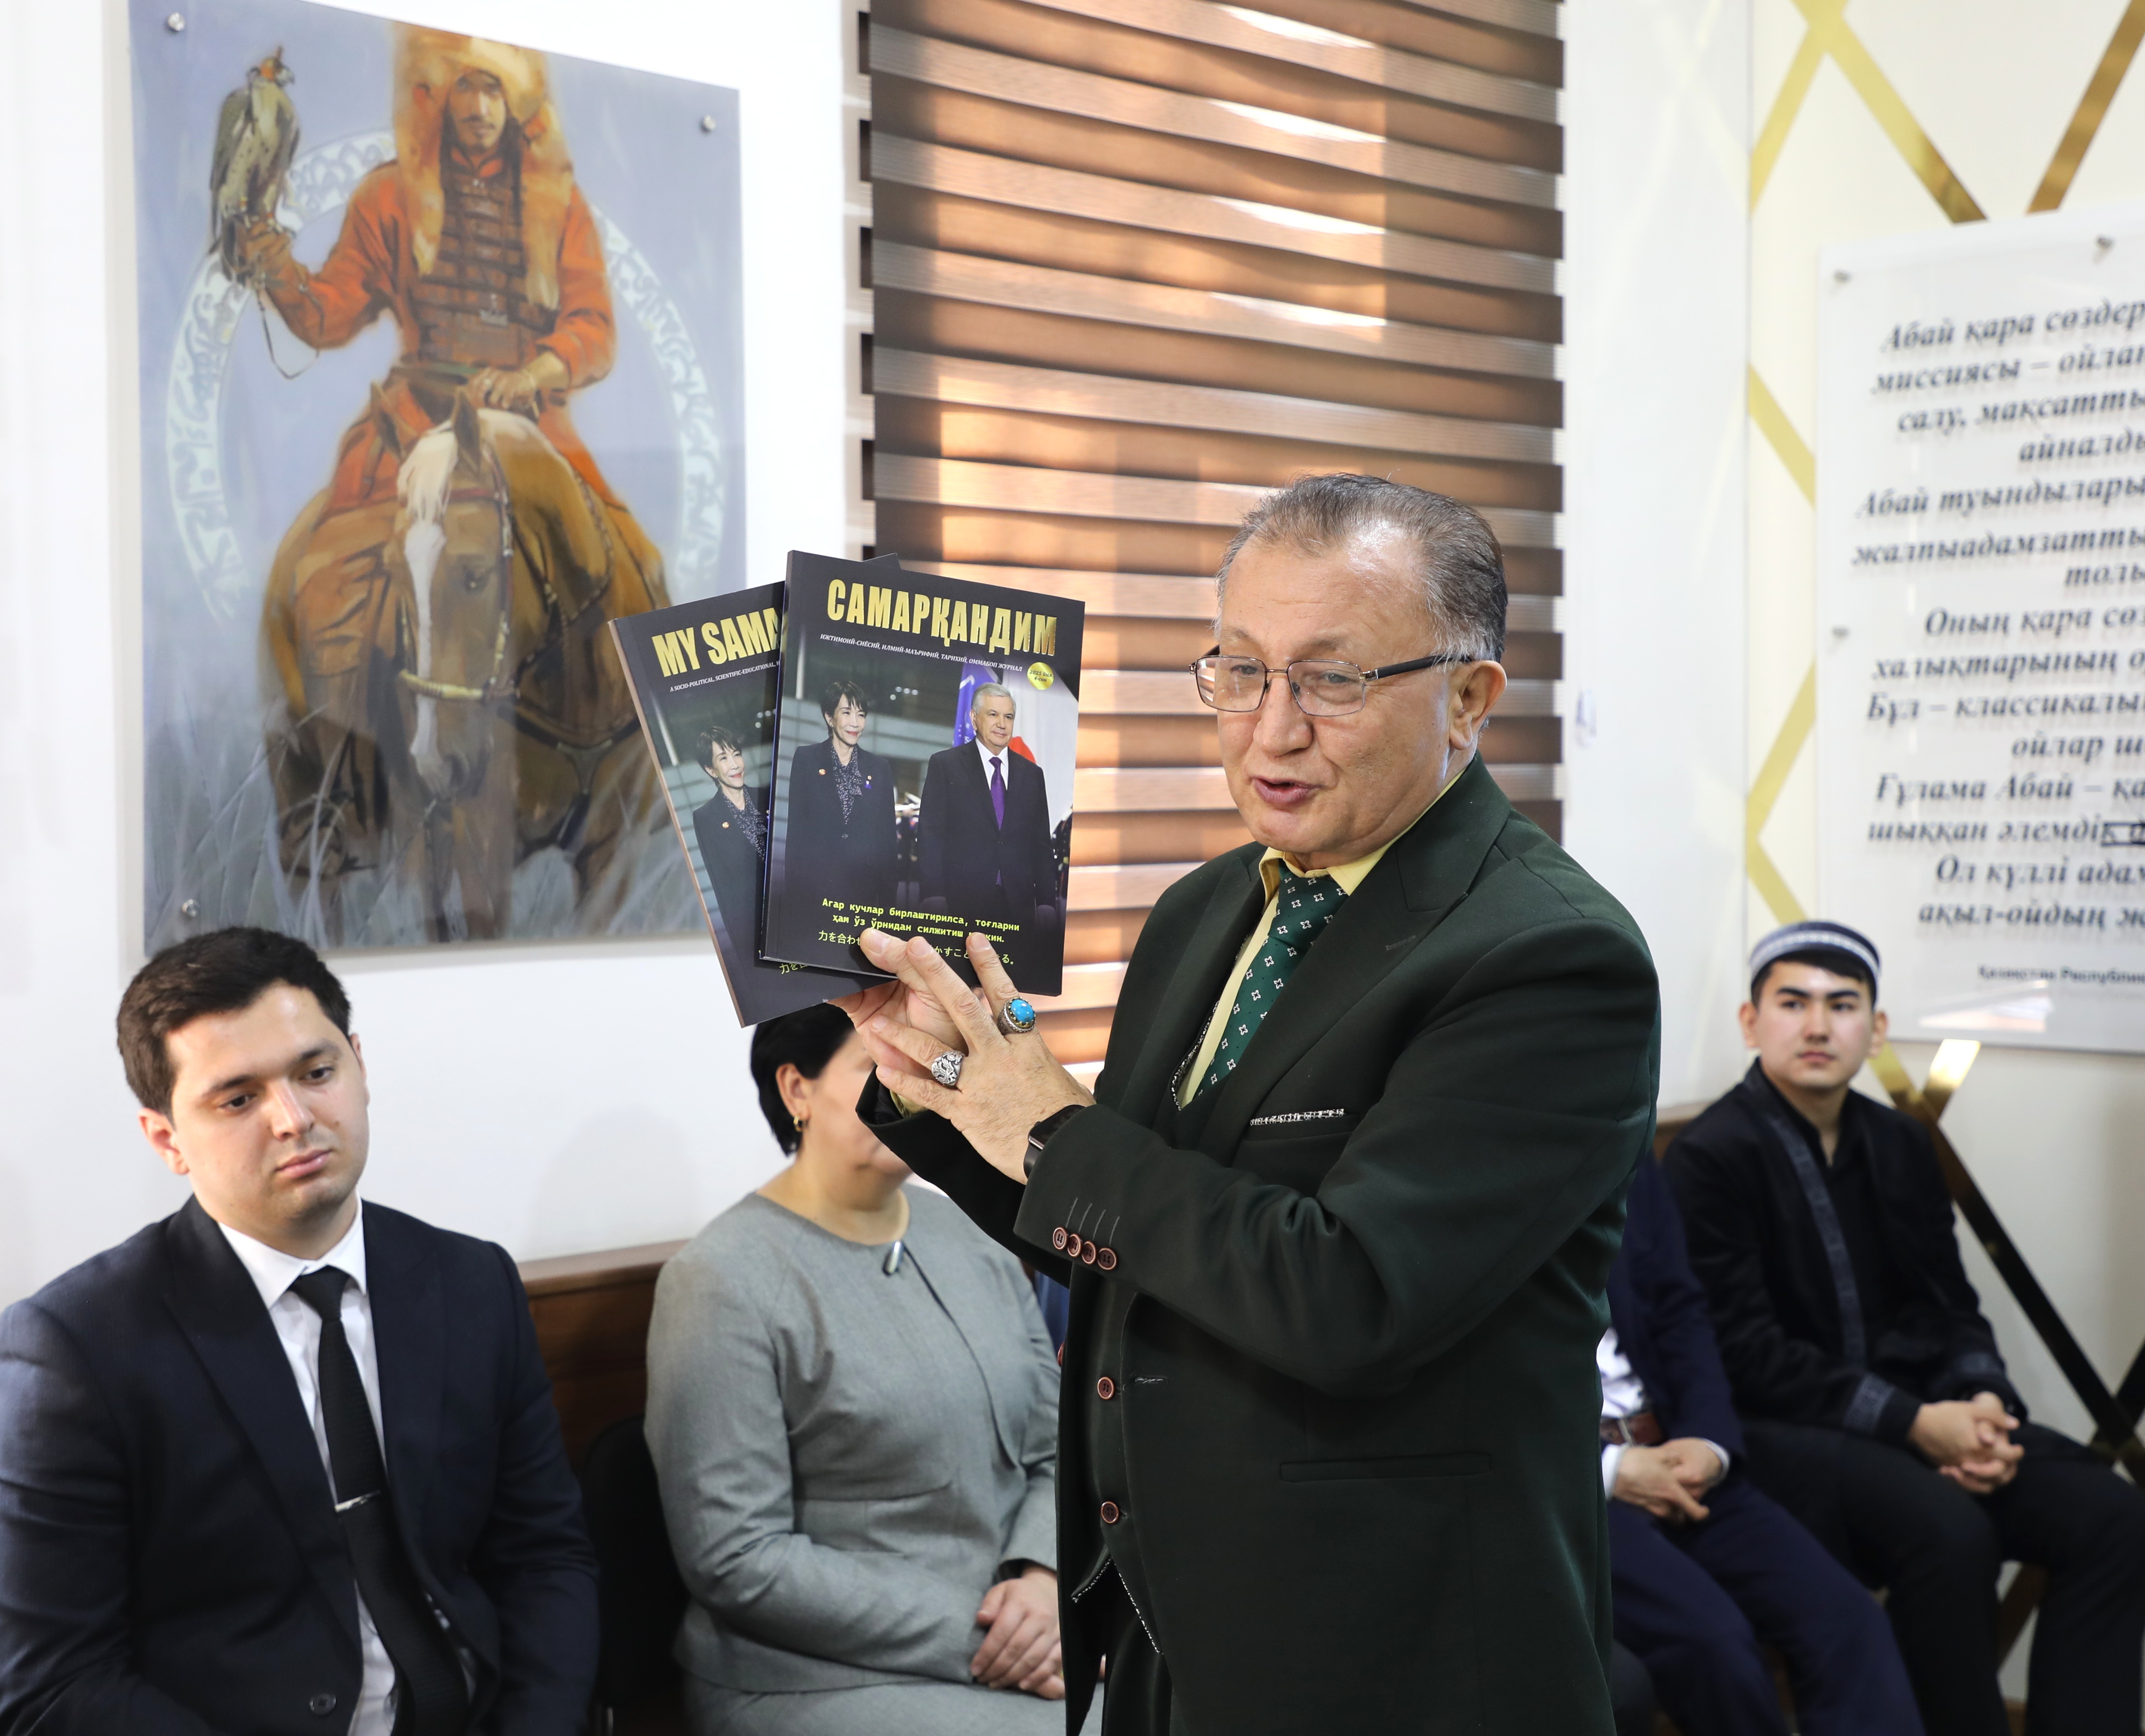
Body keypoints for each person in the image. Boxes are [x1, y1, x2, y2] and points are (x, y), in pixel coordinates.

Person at [838, 473, 1664, 1733]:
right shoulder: (1205, 908)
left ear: (1467, 698)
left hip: (1391, 1651)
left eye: (1331, 680)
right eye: (1238, 670)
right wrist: (939, 1082)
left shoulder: (1547, 956)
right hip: (1165, 1621)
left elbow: (1352, 1297)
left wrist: (1054, 1128)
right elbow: (1122, 1235)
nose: (1269, 730)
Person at [0, 928, 596, 1733]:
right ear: (167, 1140)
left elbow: (544, 1555)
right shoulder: (75, 1349)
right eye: (237, 1099)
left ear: (360, 1066)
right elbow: (56, 1683)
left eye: (316, 1073)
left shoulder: (469, 1281)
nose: (294, 1119)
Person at [1665, 920, 2145, 1736]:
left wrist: (1982, 1401)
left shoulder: (1897, 1140)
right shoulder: (1711, 1155)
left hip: (1919, 1416)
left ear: (1876, 1028)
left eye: (1841, 1005)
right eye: (1792, 1003)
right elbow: (1743, 1354)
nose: (1817, 1026)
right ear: (1751, 1022)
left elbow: (1948, 1302)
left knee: (2112, 1517)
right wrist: (1916, 1424)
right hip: (1780, 1434)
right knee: (1947, 1531)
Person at [646, 1005, 1063, 1736]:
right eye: (880, 1067)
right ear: (796, 1090)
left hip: (1020, 1630)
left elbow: (1057, 1446)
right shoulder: (720, 1280)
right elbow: (737, 1556)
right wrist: (991, 1638)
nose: (913, 1091)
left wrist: (1044, 1577)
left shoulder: (971, 1230)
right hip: (814, 1674)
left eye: (927, 1068)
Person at [239, 29, 664, 730]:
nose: (479, 107)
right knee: (333, 579)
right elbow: (330, 313)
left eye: (494, 87)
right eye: (464, 85)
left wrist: (535, 372)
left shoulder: (559, 201)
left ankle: (615, 762)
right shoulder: (389, 195)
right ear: (436, 94)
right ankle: (351, 755)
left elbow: (593, 327)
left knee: (637, 569)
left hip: (531, 428)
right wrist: (278, 270)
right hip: (415, 420)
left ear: (516, 99)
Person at [1604, 1155, 1921, 1735]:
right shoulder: (1474, 1166)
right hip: (1568, 1488)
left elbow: (1680, 1310)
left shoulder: (1624, 1152)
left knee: (1848, 1620)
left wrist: (1708, 1440)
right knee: (1716, 1645)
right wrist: (1606, 1468)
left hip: (1679, 1452)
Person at [916, 684, 1060, 939]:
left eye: (1009, 717)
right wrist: (933, 894)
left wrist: (1047, 902)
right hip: (959, 904)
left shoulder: (1033, 775)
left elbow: (1040, 844)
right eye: (993, 715)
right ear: (974, 718)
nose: (1002, 724)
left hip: (1018, 908)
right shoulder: (946, 765)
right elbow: (931, 835)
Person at [777, 679, 897, 953]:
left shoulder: (879, 768)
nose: (855, 723)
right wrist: (795, 900)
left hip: (863, 899)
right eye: (847, 713)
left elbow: (887, 842)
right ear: (829, 718)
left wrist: (888, 908)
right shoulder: (806, 759)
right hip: (816, 896)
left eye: (861, 715)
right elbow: (797, 834)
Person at [690, 724, 769, 943]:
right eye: (724, 758)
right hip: (755, 924)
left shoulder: (768, 796)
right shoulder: (706, 818)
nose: (735, 765)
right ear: (711, 770)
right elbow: (723, 888)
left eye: (737, 754)